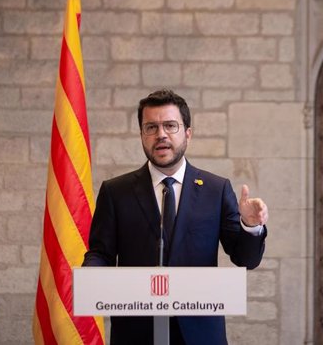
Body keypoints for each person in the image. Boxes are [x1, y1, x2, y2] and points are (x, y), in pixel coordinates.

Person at [83, 89, 269, 344]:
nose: (161, 134)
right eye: (151, 127)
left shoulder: (216, 189)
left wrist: (249, 226)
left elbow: (245, 258)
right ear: (141, 135)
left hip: (200, 333)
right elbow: (100, 252)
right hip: (136, 332)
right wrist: (90, 276)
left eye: (170, 125)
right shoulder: (116, 192)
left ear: (187, 134)